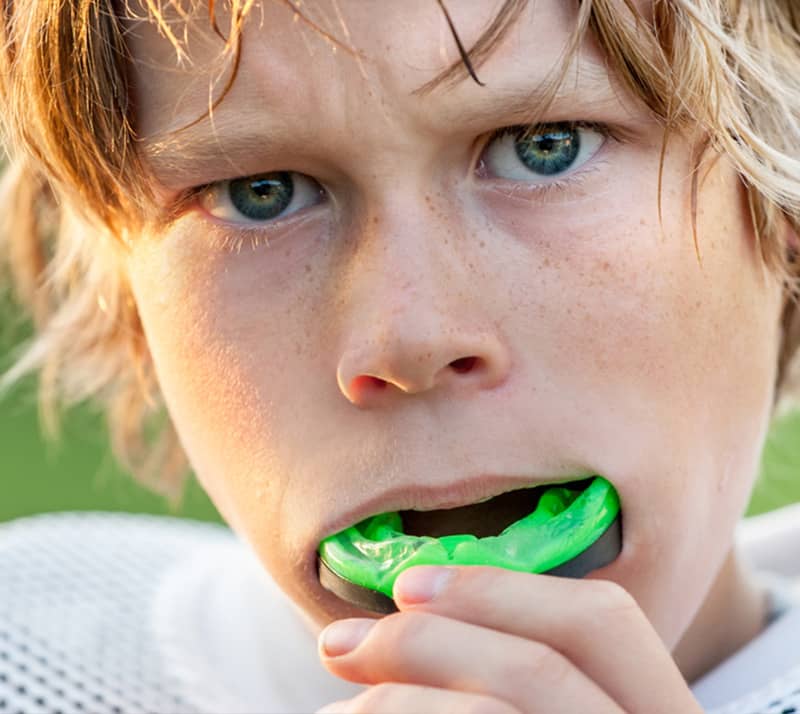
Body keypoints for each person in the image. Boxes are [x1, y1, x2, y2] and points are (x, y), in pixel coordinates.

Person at [1, 0, 800, 711]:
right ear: (130, 297)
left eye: (543, 146)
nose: (409, 340)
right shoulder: (33, 658)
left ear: (778, 208)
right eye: (263, 191)